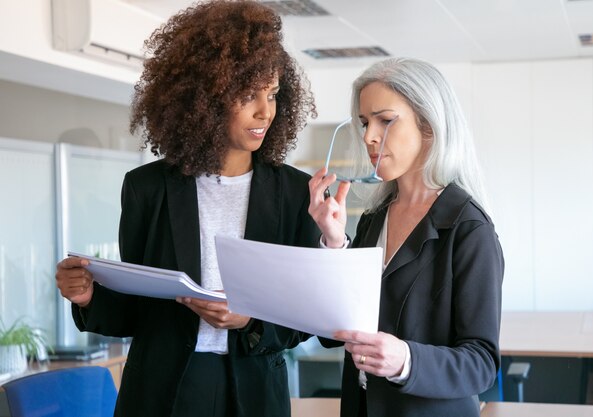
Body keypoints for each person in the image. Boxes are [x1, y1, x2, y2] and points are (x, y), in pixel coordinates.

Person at [55, 2, 318, 416]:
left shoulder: (295, 192)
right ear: (207, 97)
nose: (265, 111)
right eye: (248, 95)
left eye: (272, 94)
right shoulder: (147, 188)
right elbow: (137, 310)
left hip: (253, 389)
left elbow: (307, 312)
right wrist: (89, 298)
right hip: (164, 390)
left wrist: (249, 321)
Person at [308, 57, 504, 417]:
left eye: (385, 120)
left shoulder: (469, 229)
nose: (369, 136)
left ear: (428, 126)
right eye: (365, 122)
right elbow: (333, 334)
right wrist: (335, 244)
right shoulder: (372, 220)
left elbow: (481, 364)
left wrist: (406, 360)